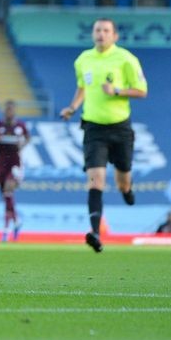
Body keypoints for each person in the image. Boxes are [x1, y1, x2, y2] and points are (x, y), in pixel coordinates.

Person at [60, 18, 148, 253]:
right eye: (97, 30)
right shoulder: (83, 60)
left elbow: (142, 90)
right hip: (93, 128)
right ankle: (95, 233)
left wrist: (117, 90)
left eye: (106, 31)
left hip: (120, 128)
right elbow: (83, 87)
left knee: (122, 181)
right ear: (92, 34)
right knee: (95, 179)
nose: (101, 34)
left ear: (115, 36)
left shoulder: (126, 59)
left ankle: (127, 190)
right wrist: (72, 107)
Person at [0, 100, 29, 242]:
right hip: (1, 165)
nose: (9, 113)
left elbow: (28, 138)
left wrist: (22, 144)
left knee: (9, 190)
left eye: (12, 110)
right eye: (7, 110)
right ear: (4, 111)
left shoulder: (20, 126)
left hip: (15, 164)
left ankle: (6, 228)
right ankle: (16, 221)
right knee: (6, 196)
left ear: (15, 112)